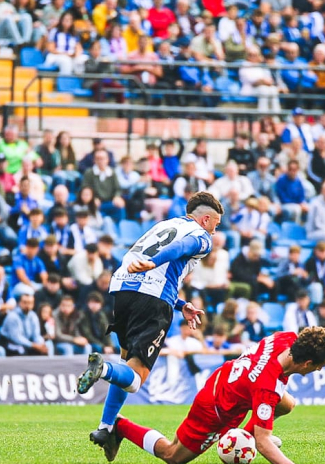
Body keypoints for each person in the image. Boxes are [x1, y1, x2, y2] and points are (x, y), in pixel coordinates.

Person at [77, 192, 223, 460]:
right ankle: (103, 368)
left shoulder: (162, 225)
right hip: (153, 301)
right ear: (205, 219)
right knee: (134, 380)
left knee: (127, 365)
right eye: (216, 223)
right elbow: (181, 248)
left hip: (122, 291)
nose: (217, 229)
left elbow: (152, 263)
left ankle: (105, 428)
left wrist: (181, 305)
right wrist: (154, 263)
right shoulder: (202, 236)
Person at [113, 328, 325, 464]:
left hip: (231, 379)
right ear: (307, 363)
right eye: (318, 367)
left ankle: (240, 438)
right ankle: (120, 425)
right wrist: (262, 441)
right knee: (172, 455)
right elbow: (264, 444)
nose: (317, 371)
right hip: (214, 408)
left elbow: (266, 373)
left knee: (286, 404)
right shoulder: (266, 388)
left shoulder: (287, 338)